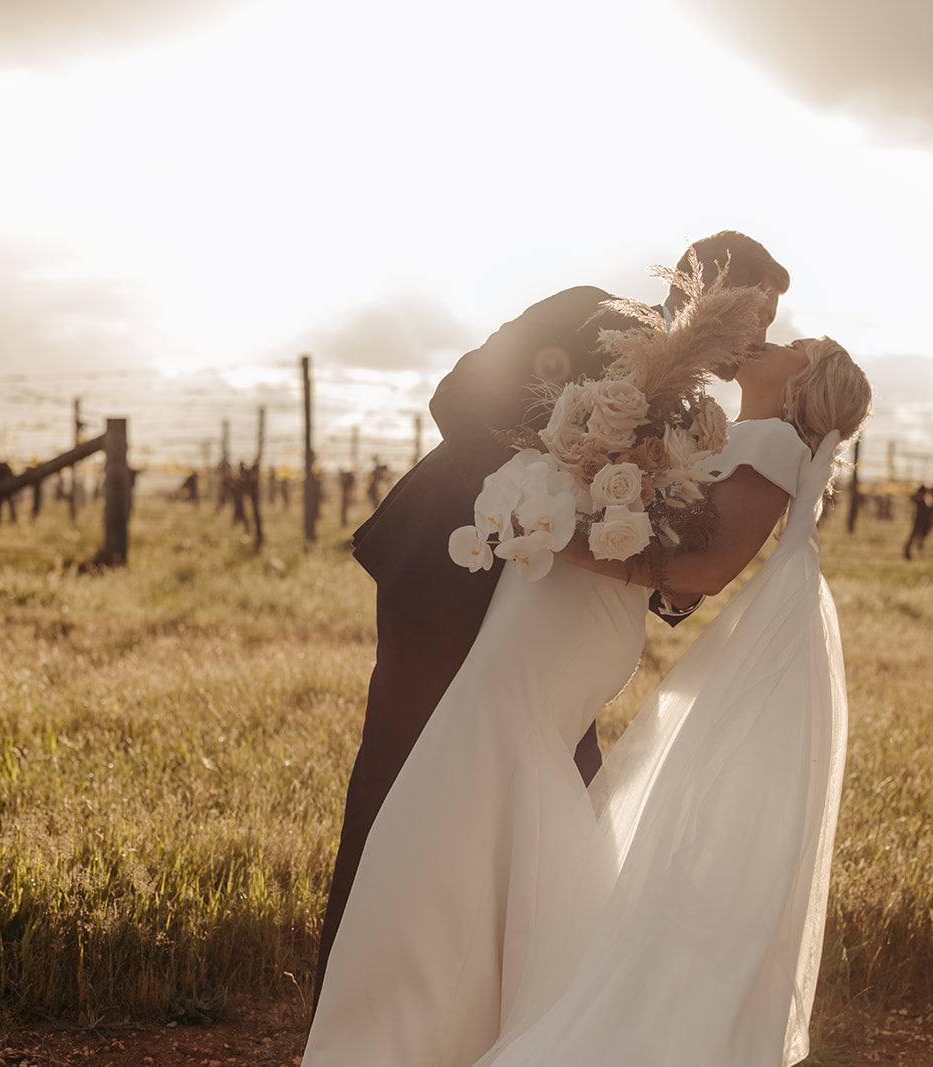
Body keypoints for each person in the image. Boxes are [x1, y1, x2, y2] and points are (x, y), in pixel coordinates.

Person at [304, 335, 872, 1066]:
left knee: (485, 752)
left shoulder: (773, 449)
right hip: (561, 607)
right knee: (492, 763)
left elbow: (701, 568)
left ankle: (422, 1020)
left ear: (804, 383)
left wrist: (554, 535)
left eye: (799, 344)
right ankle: (489, 1001)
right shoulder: (740, 435)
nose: (778, 336)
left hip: (581, 615)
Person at [312, 233, 791, 1012]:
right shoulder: (584, 313)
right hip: (452, 573)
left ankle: (518, 1019)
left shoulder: (700, 414)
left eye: (770, 324)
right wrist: (563, 469)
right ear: (706, 286)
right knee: (404, 779)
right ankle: (358, 1005)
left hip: (555, 629)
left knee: (555, 803)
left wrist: (653, 539)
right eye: (753, 314)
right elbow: (455, 398)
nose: (759, 339)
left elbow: (672, 557)